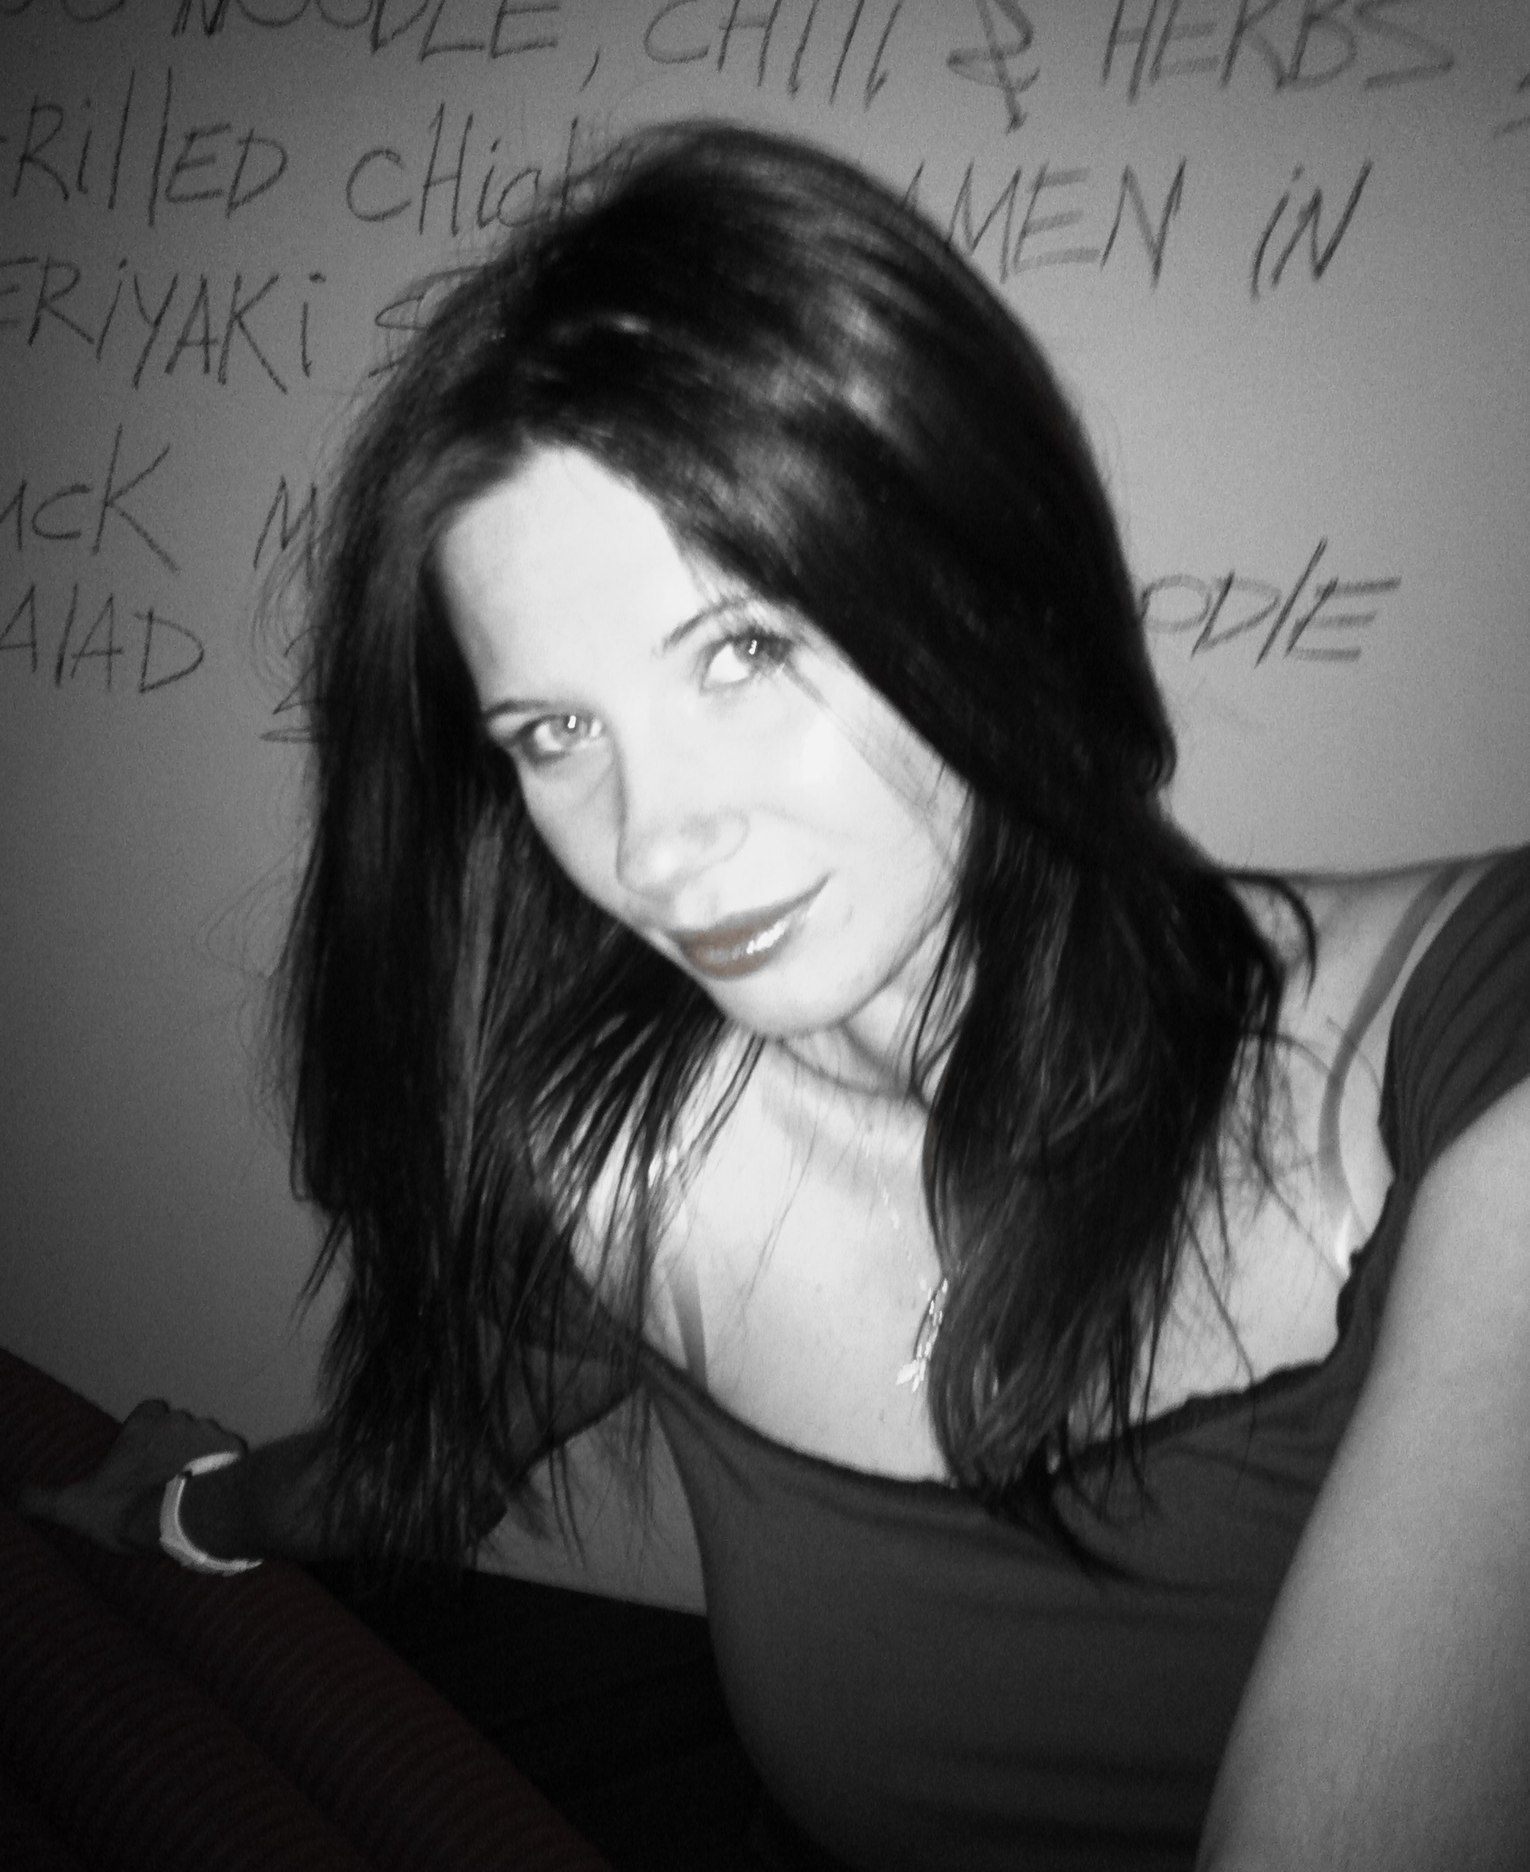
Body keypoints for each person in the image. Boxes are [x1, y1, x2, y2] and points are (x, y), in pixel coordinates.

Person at [23, 123, 1530, 1870]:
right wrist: (191, 1507)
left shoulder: (1465, 1061)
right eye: (554, 732)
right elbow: (436, 1455)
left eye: (741, 651)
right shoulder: (627, 1152)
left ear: (988, 583)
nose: (653, 844)